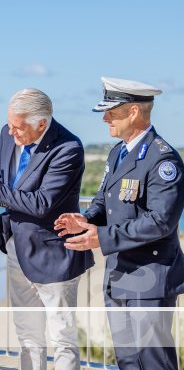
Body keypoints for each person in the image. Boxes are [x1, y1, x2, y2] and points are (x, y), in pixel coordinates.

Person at [55, 77, 184, 369]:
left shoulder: (163, 160)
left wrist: (101, 237)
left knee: (153, 362)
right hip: (119, 276)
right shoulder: (118, 153)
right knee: (127, 361)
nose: (104, 119)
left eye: (111, 112)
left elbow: (160, 222)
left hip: (150, 280)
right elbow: (104, 201)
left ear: (134, 112)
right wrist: (84, 220)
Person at [0, 88, 93, 370]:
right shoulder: (7, 133)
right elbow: (6, 181)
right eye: (10, 125)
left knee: (62, 335)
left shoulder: (68, 148)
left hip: (55, 253)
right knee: (27, 334)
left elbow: (41, 203)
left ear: (41, 123)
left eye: (18, 127)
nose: (12, 133)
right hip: (16, 248)